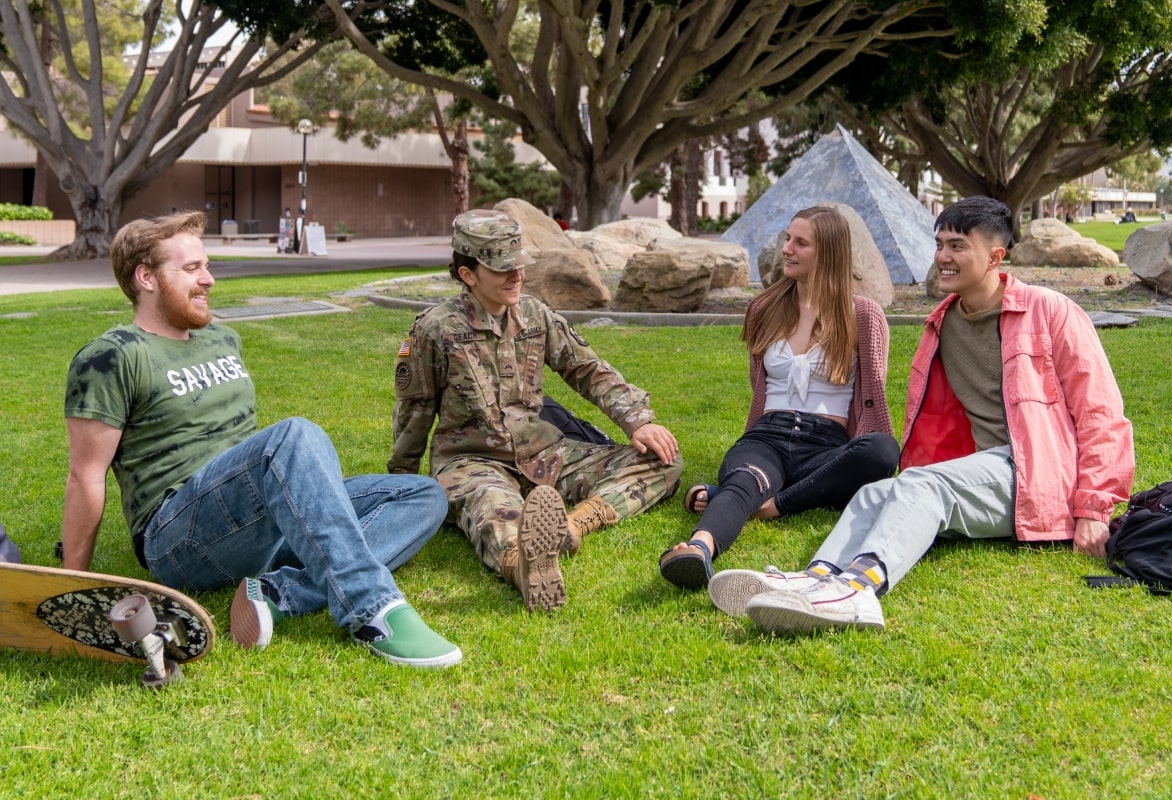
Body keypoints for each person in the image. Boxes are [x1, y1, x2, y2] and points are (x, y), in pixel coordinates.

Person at [61, 211, 461, 669]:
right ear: (146, 277)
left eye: (207, 266)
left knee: (425, 495)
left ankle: (278, 593)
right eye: (191, 269)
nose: (208, 279)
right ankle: (373, 610)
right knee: (293, 436)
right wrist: (71, 584)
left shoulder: (223, 339)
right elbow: (85, 475)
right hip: (178, 534)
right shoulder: (112, 355)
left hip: (253, 519)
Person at [715, 196, 1135, 633]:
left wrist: (1093, 508)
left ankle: (859, 592)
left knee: (920, 484)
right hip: (980, 471)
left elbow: (1101, 412)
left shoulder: (1050, 310)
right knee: (875, 494)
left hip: (1038, 474)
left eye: (957, 246)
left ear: (995, 256)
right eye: (938, 245)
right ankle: (815, 579)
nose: (942, 258)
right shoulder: (942, 324)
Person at [389, 209, 684, 612]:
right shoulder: (436, 330)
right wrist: (401, 485)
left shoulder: (535, 316)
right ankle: (522, 567)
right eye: (503, 270)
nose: (517, 276)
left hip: (545, 456)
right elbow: (415, 412)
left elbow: (588, 370)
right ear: (467, 275)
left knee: (664, 460)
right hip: (473, 462)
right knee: (492, 509)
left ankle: (572, 525)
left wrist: (638, 420)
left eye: (520, 266)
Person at [659, 206, 899, 594]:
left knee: (882, 451)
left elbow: (873, 397)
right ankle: (698, 549)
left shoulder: (863, 315)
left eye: (800, 243)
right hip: (767, 437)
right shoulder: (765, 309)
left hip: (827, 445)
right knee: (747, 478)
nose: (787, 249)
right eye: (788, 238)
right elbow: (762, 388)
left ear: (829, 254)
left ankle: (771, 503)